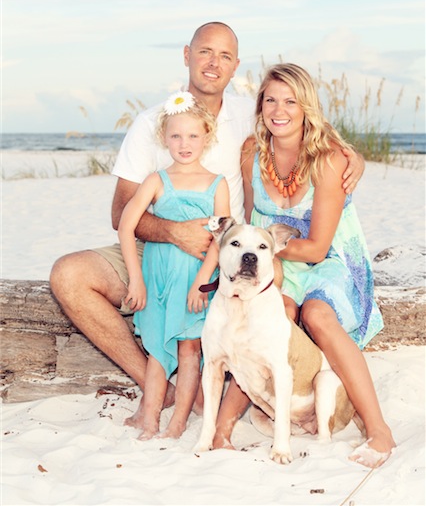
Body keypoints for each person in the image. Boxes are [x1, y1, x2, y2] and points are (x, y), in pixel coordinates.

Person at [49, 22, 364, 432]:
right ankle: (154, 385)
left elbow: (299, 127)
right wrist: (173, 232)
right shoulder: (153, 123)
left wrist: (350, 153)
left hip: (224, 257)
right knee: (68, 276)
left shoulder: (249, 117)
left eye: (225, 56)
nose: (213, 63)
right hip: (155, 248)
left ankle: (209, 400)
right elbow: (120, 215)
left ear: (235, 67)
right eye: (204, 52)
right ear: (186, 55)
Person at [213, 63, 395, 468]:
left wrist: (264, 249)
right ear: (260, 106)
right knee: (272, 312)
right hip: (275, 259)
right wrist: (251, 253)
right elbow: (246, 224)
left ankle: (379, 429)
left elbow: (315, 249)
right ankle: (222, 428)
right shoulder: (251, 154)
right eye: (271, 100)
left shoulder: (328, 160)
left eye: (291, 100)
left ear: (306, 107)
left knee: (315, 314)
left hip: (329, 259)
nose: (280, 109)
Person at [117, 91, 230, 439]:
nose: (185, 143)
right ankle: (148, 418)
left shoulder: (216, 184)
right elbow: (125, 225)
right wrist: (135, 280)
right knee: (155, 348)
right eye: (176, 136)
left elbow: (220, 238)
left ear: (207, 137)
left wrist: (200, 283)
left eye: (193, 136)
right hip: (158, 278)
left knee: (190, 348)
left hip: (193, 283)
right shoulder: (156, 181)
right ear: (164, 138)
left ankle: (178, 422)